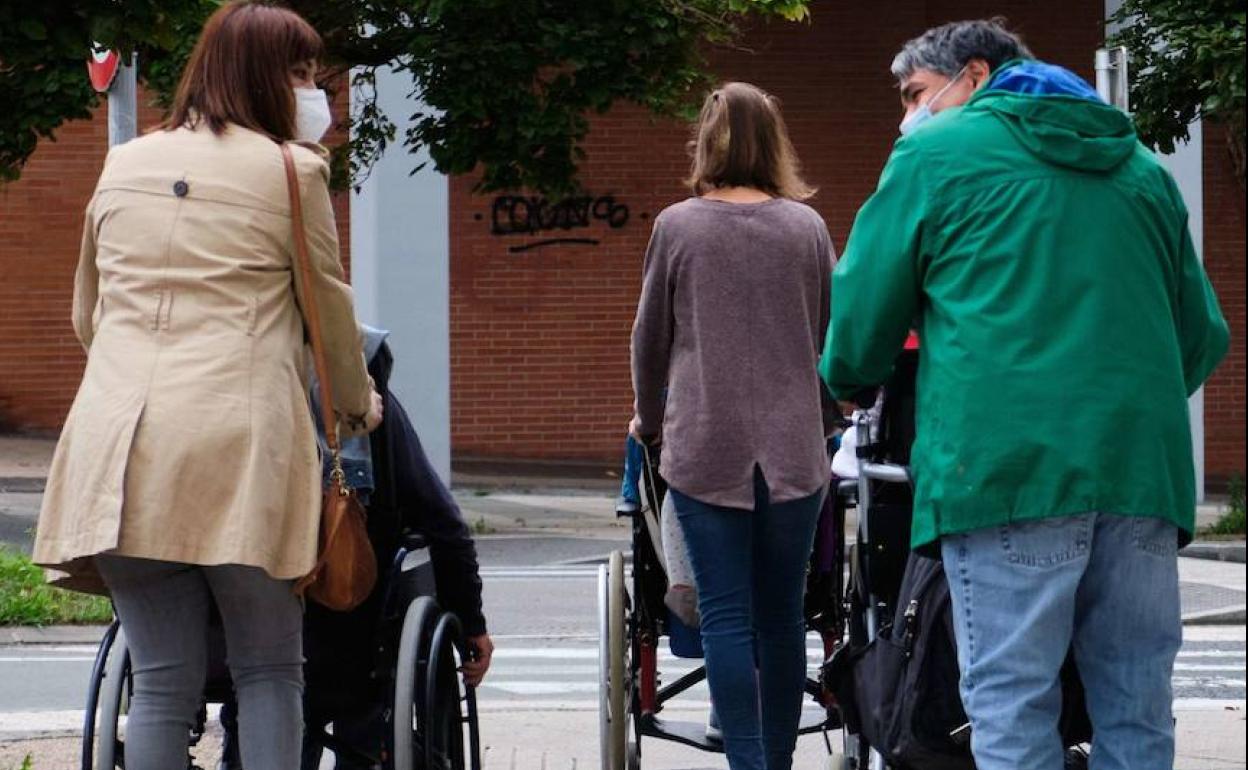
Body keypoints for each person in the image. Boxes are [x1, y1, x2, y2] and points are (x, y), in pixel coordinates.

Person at [819, 19, 1229, 770]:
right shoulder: (1141, 169)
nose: (908, 113)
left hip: (1005, 469)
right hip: (1140, 472)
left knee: (1011, 705)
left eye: (915, 93)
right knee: (1136, 708)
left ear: (973, 76)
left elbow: (861, 318)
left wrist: (845, 383)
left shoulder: (933, 158)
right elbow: (1201, 334)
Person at [32, 4, 383, 769]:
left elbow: (88, 314)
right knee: (268, 669)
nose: (313, 90)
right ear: (265, 78)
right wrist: (359, 411)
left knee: (160, 682)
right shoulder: (293, 171)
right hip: (240, 446)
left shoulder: (125, 162)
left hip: (118, 444)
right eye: (301, 74)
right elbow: (330, 316)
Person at [631, 81, 839, 770]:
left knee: (725, 614)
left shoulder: (678, 226)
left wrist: (650, 416)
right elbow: (830, 334)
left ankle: (746, 763)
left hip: (703, 443)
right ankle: (777, 761)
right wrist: (830, 410)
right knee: (782, 617)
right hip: (793, 450)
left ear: (708, 141)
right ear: (774, 143)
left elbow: (649, 339)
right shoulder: (806, 227)